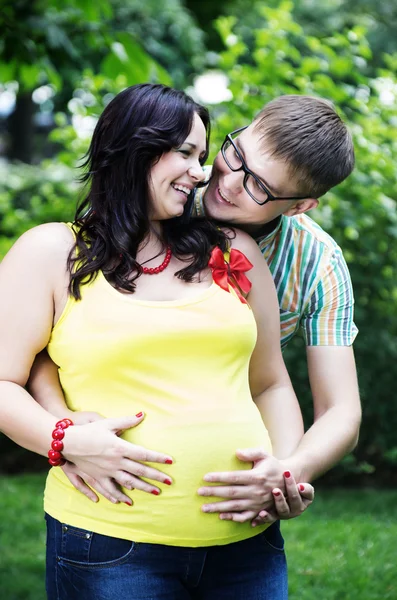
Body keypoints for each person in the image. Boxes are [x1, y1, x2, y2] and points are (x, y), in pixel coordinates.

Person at [0, 83, 311, 600]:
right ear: (132, 147)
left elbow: (271, 385)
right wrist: (64, 440)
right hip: (112, 544)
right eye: (186, 152)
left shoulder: (233, 249)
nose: (202, 171)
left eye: (205, 155)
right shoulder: (52, 251)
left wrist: (285, 467)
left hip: (248, 546)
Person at [30, 94, 361, 527]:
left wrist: (289, 470)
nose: (224, 183)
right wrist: (65, 431)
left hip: (234, 518)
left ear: (299, 206)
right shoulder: (161, 187)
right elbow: (45, 335)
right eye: (234, 155)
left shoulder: (316, 264)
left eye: (258, 187)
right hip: (116, 505)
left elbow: (335, 407)